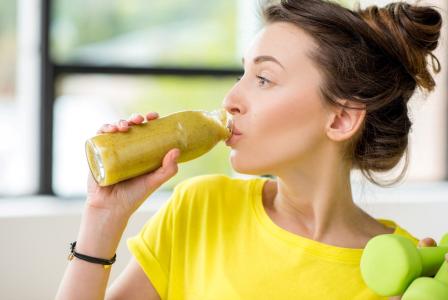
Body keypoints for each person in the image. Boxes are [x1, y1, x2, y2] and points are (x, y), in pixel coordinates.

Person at [56, 0, 446, 299]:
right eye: (242, 72)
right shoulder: (200, 208)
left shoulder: (404, 270)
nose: (230, 98)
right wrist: (102, 217)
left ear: (341, 119)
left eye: (263, 78)